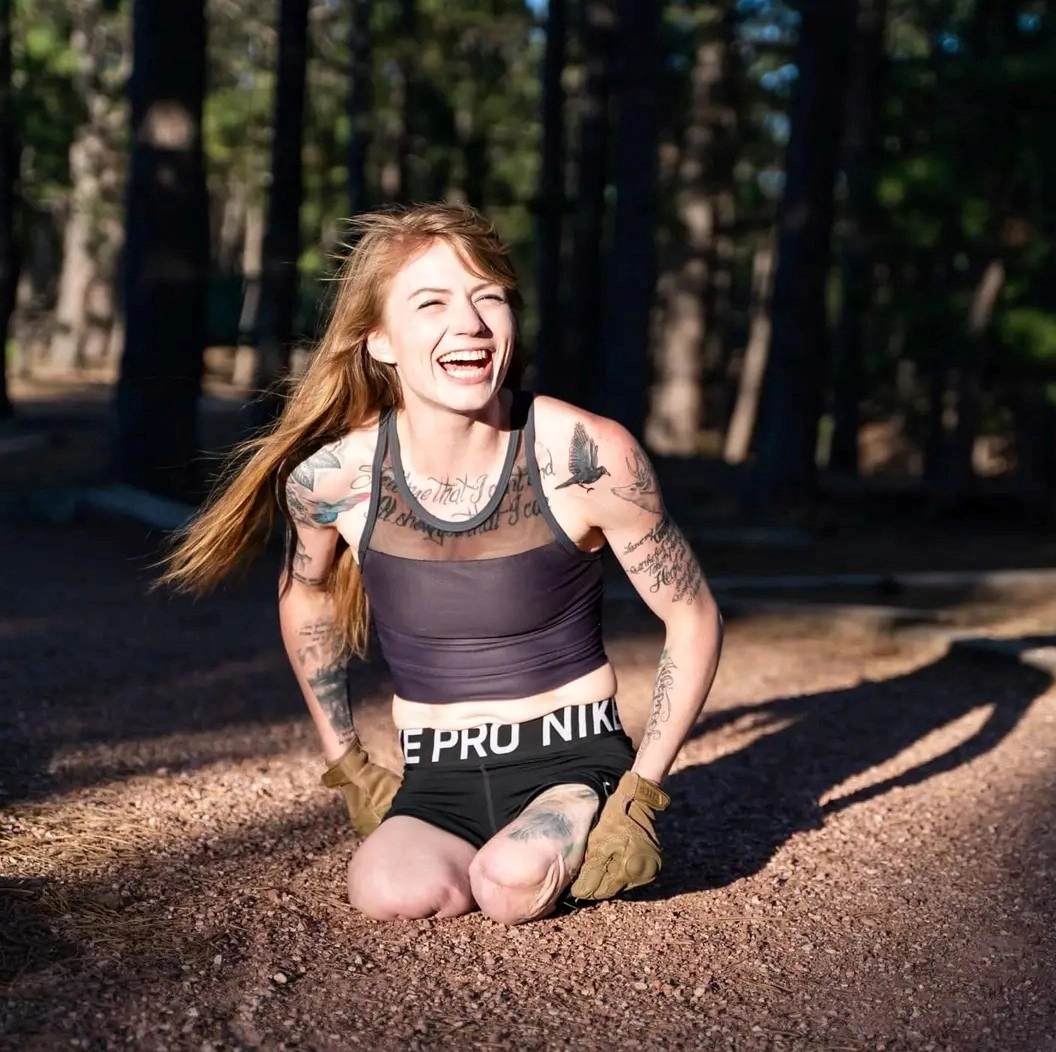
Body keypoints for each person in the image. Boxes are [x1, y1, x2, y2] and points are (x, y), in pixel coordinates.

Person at [161, 202, 723, 925]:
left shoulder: (584, 456)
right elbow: (306, 599)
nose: (471, 324)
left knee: (512, 882)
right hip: (438, 774)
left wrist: (640, 795)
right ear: (381, 341)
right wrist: (349, 764)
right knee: (387, 891)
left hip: (572, 762)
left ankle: (560, 832)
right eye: (432, 303)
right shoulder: (333, 479)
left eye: (488, 297)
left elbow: (691, 612)